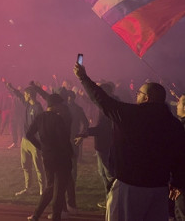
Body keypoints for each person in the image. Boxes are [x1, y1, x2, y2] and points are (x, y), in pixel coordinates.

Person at [74, 63, 185, 221]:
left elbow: (103, 100)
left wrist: (83, 78)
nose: (136, 96)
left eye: (139, 93)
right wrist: (178, 181)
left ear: (146, 98)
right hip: (159, 188)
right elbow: (180, 155)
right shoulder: (174, 124)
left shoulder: (131, 115)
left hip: (130, 187)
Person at [26, 93, 73, 221]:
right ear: (56, 105)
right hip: (61, 158)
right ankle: (55, 216)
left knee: (50, 187)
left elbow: (29, 134)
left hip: (47, 157)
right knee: (59, 190)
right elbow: (63, 140)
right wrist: (70, 153)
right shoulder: (58, 119)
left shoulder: (40, 117)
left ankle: (36, 215)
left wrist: (41, 147)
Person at [3, 78, 46, 196]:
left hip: (34, 141)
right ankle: (28, 187)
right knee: (25, 165)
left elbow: (41, 126)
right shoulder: (27, 104)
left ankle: (43, 189)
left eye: (26, 94)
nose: (24, 95)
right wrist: (10, 87)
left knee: (38, 166)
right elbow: (18, 95)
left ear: (31, 95)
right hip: (24, 140)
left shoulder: (38, 108)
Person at [173, 94, 185, 220]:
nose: (177, 105)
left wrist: (177, 183)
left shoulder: (181, 129)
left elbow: (180, 158)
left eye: (179, 103)